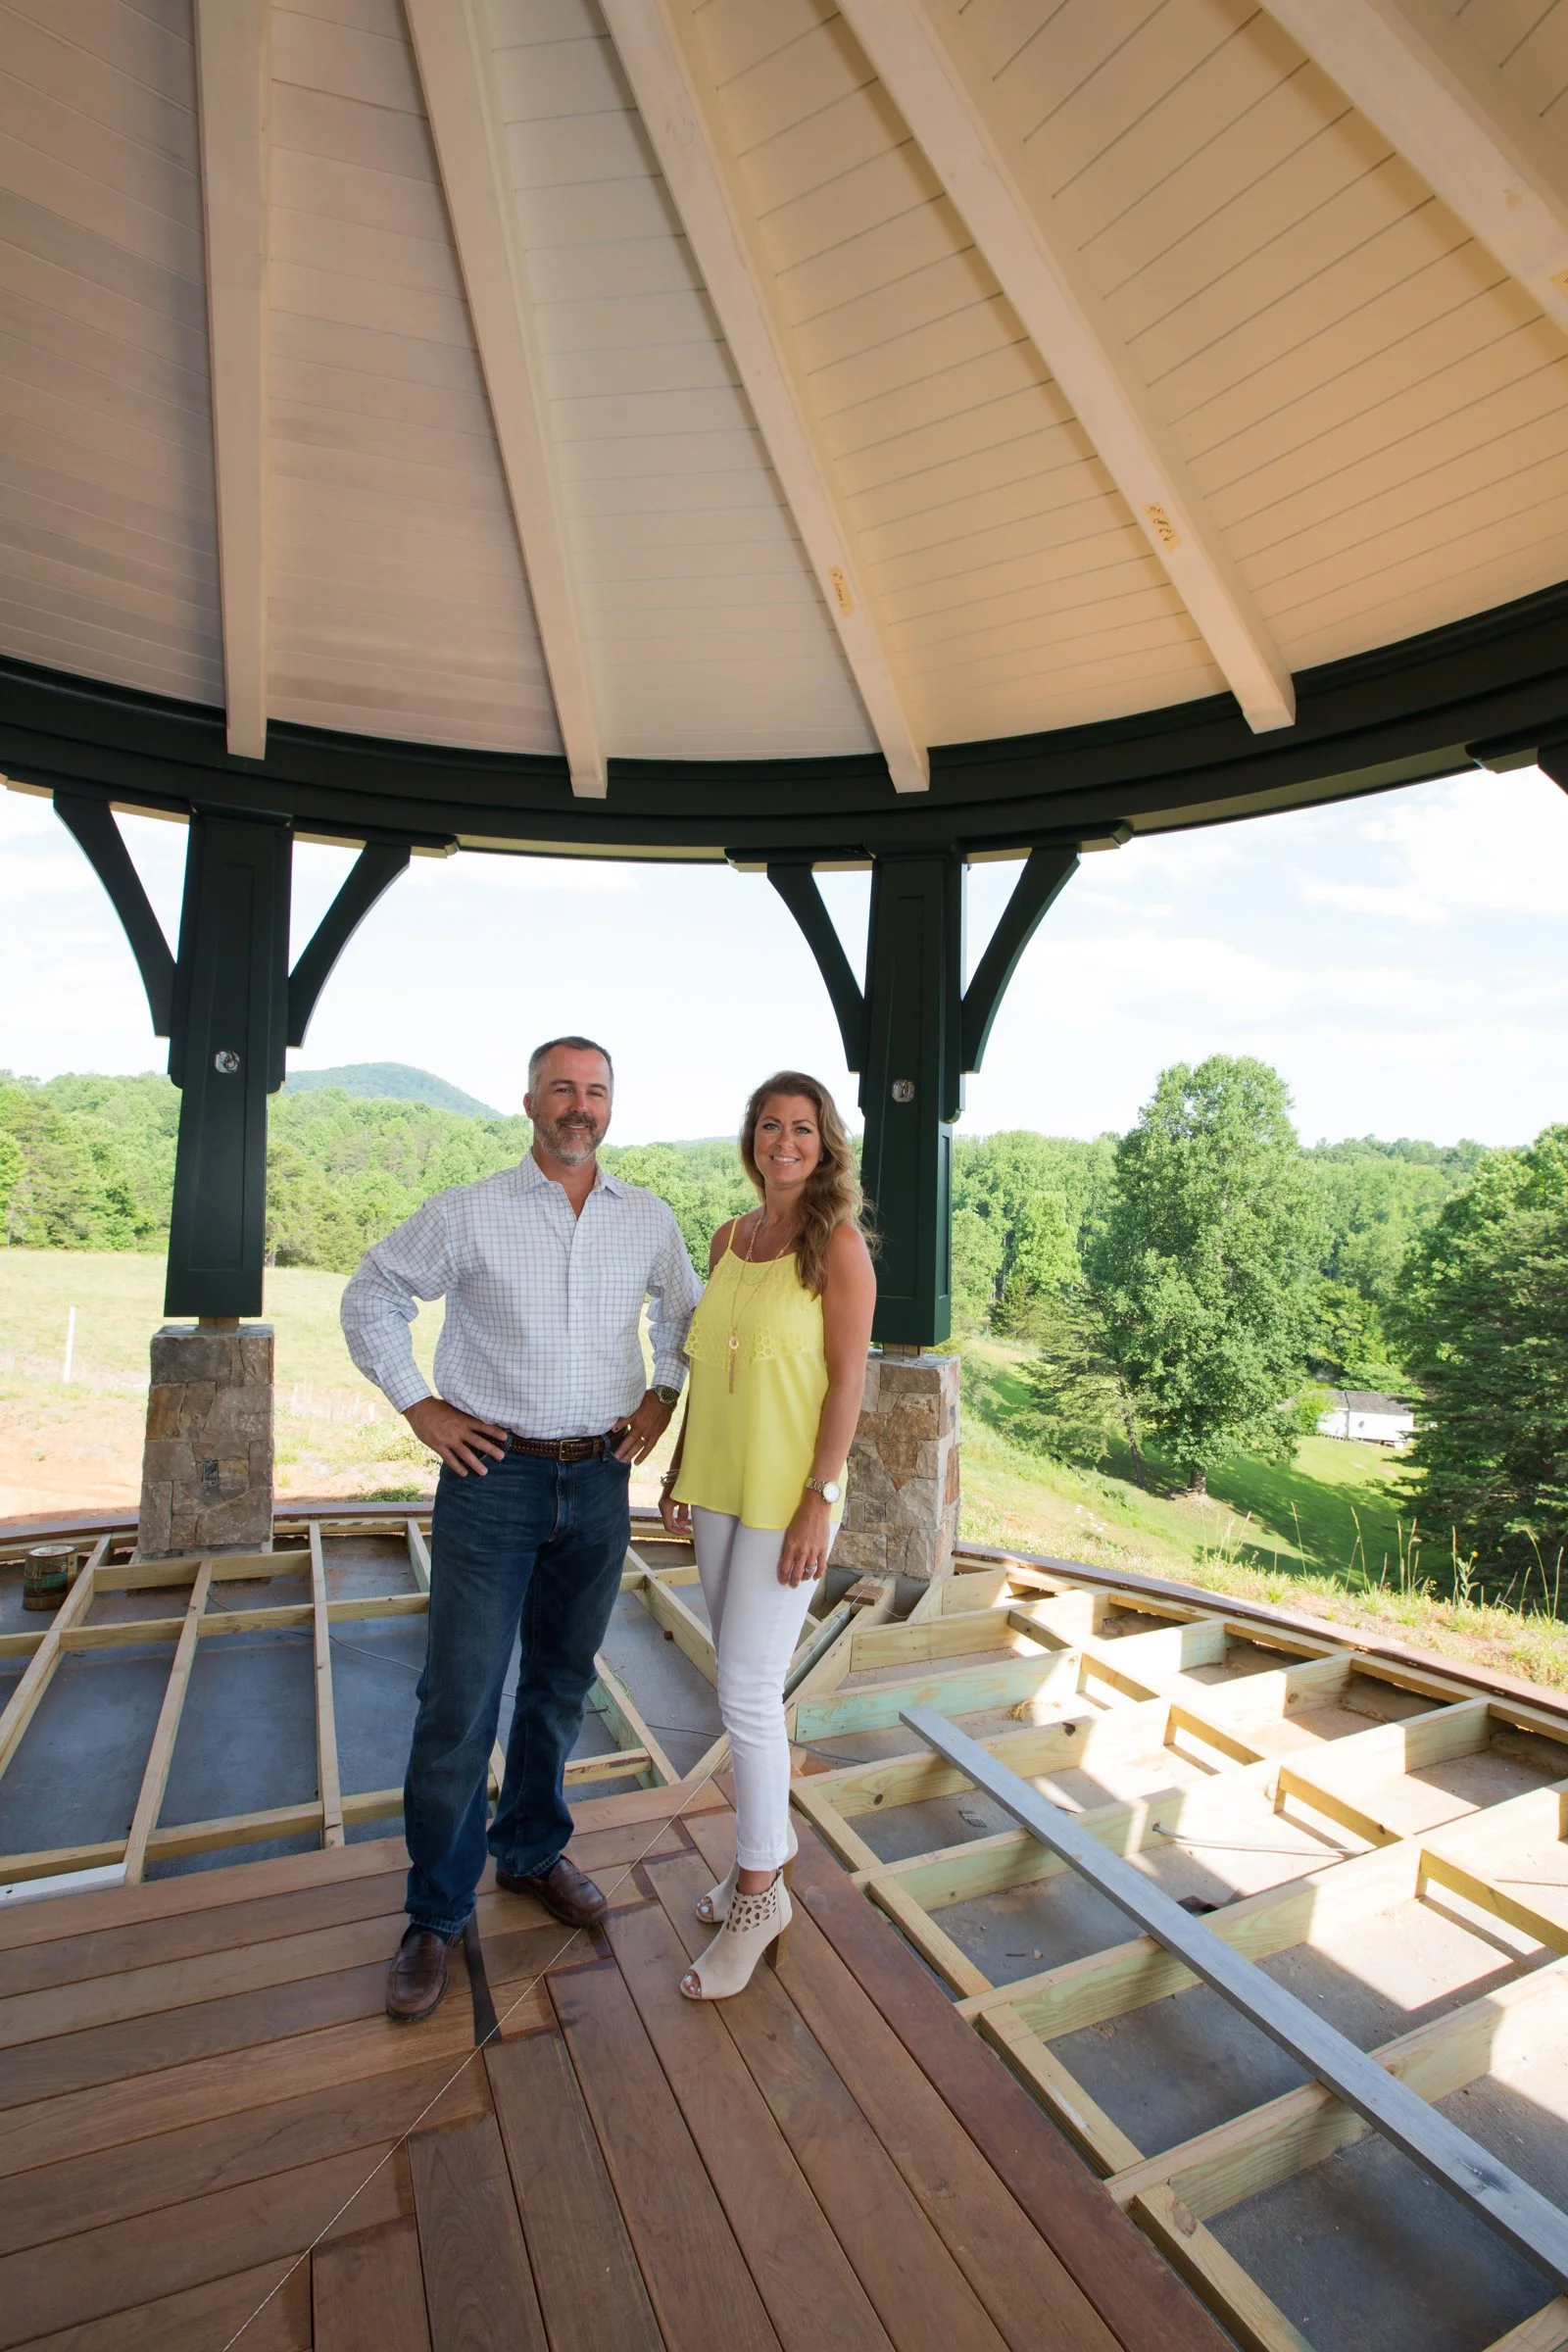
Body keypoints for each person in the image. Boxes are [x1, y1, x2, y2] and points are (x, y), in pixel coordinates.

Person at [342, 1037, 702, 2024]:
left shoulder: (647, 1220)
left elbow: (685, 1317)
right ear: (531, 1101)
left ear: (610, 1105)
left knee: (558, 1685)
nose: (579, 1106)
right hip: (491, 1478)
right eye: (562, 1089)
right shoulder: (470, 1212)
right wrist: (420, 1405)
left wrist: (663, 1394)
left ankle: (532, 1853)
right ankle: (435, 1911)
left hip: (597, 1482)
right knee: (458, 1699)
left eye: (595, 1091)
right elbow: (372, 1295)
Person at [660, 1070, 876, 1999]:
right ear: (752, 1137)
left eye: (801, 1128)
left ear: (824, 1144)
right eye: (768, 1126)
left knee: (747, 1692)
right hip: (716, 1486)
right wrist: (676, 1466)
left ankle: (760, 1895)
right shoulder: (729, 1239)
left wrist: (821, 1497)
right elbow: (710, 1368)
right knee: (737, 1684)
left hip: (791, 1498)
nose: (783, 1142)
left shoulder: (839, 1249)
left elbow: (848, 1385)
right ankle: (764, 1853)